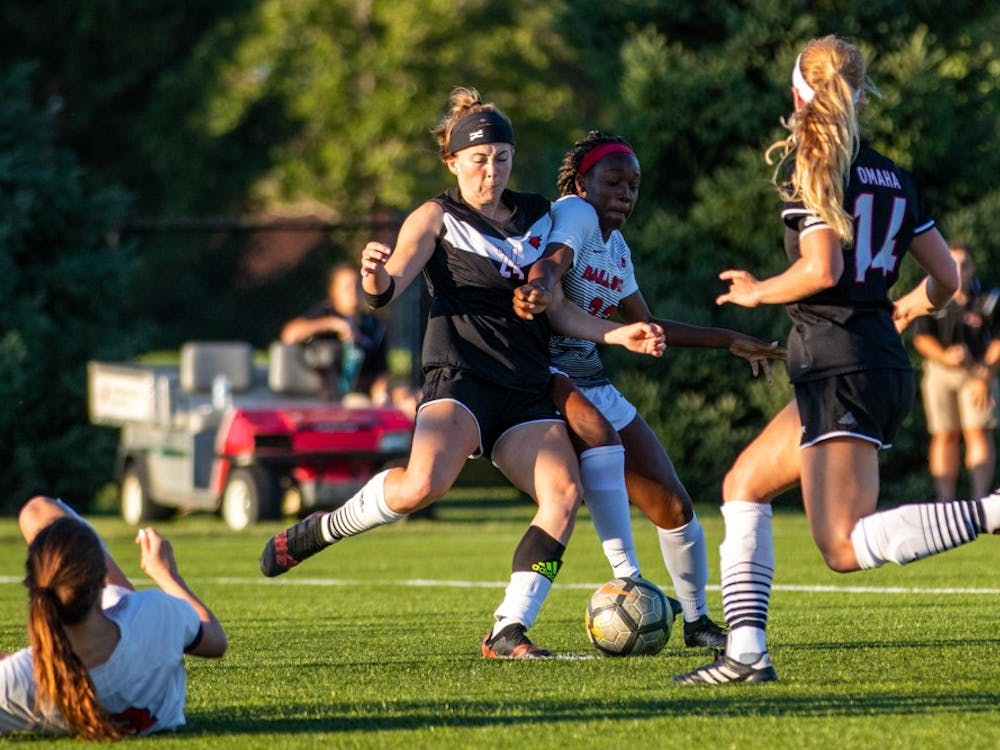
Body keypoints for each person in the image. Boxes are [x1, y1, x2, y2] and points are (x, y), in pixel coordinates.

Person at [258, 86, 665, 659]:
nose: (491, 171)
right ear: (452, 161)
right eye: (477, 160)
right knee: (422, 486)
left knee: (563, 492)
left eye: (501, 158)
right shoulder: (435, 217)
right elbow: (390, 284)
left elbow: (561, 309)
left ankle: (508, 629)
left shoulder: (539, 216)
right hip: (460, 378)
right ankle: (325, 528)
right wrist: (373, 277)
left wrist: (614, 332)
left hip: (524, 385)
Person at [671, 35, 1000, 685]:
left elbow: (820, 268)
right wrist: (905, 309)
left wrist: (757, 291)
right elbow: (944, 280)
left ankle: (993, 511)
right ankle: (745, 653)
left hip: (840, 363)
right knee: (743, 485)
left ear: (798, 94)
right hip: (866, 359)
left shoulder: (815, 164)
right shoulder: (892, 175)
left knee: (842, 548)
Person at [513, 131, 785, 650]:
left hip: (592, 381)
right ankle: (626, 576)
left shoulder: (617, 248)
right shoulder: (575, 213)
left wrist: (729, 340)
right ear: (580, 182)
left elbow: (647, 321)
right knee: (595, 452)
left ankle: (698, 622)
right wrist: (540, 285)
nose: (625, 193)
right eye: (613, 180)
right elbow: (551, 262)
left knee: (676, 509)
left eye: (633, 185)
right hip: (543, 377)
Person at [0, 496, 227, 738]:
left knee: (34, 513)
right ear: (99, 579)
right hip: (123, 629)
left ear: (34, 587)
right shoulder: (157, 613)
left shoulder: (16, 680)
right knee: (38, 511)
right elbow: (215, 640)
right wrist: (167, 575)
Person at [912, 246, 1000, 499]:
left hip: (979, 372)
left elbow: (997, 341)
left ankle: (979, 499)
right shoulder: (932, 293)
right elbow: (921, 338)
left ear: (972, 268)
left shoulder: (989, 298)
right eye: (953, 264)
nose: (959, 270)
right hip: (941, 370)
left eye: (965, 265)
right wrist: (945, 356)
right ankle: (945, 500)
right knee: (943, 434)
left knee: (978, 431)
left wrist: (985, 376)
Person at [281, 261, 400, 406]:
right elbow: (290, 335)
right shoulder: (324, 313)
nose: (353, 292)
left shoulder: (374, 326)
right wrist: (332, 324)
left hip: (361, 398)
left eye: (357, 286)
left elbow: (380, 373)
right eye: (347, 287)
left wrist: (382, 395)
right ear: (333, 291)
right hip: (323, 398)